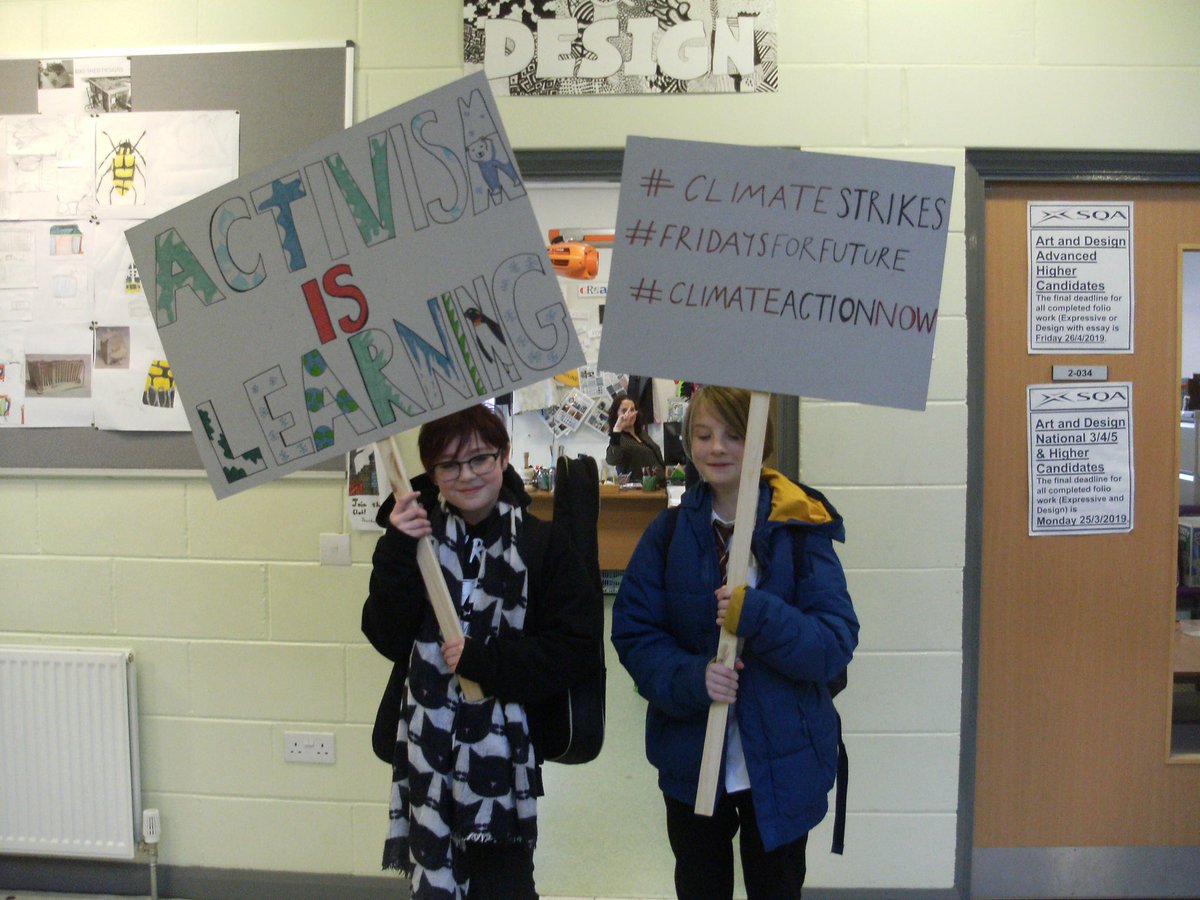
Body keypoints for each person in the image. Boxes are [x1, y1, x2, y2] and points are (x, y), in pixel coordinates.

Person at [611, 386, 858, 900]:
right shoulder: (670, 532)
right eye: (703, 435)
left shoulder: (800, 527)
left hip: (784, 763)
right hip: (692, 759)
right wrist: (692, 677)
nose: (716, 448)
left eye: (734, 435)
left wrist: (760, 616)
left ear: (761, 441)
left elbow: (833, 643)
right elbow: (635, 634)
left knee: (776, 889)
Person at [362, 404, 603, 899]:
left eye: (479, 459)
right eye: (448, 465)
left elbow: (575, 650)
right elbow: (386, 636)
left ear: (504, 456)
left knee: (504, 885)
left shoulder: (543, 545)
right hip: (428, 754)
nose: (466, 475)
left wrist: (486, 665)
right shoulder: (416, 541)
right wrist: (396, 548)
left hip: (504, 761)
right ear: (431, 473)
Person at [606, 392, 665, 476]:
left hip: (658, 485)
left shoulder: (642, 434)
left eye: (632, 410)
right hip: (636, 487)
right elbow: (612, 460)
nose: (629, 414)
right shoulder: (618, 439)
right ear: (616, 414)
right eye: (624, 411)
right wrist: (617, 429)